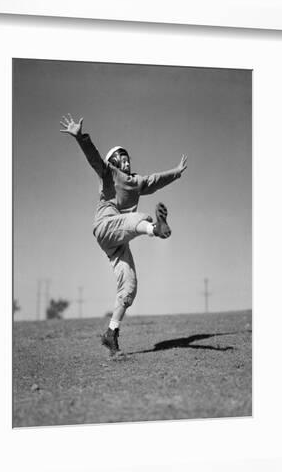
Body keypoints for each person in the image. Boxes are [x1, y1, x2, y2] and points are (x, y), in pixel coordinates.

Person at [60, 114, 187, 356]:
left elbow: (157, 179)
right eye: (123, 158)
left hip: (120, 238)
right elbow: (94, 158)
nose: (127, 161)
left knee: (129, 286)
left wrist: (177, 172)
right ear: (115, 161)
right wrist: (80, 137)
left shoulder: (137, 182)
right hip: (106, 225)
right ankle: (155, 229)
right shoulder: (108, 173)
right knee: (139, 219)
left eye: (128, 157)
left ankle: (111, 333)